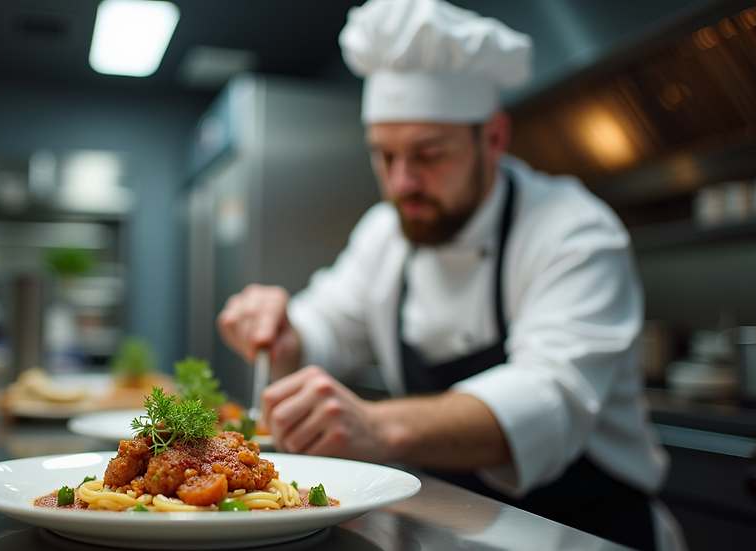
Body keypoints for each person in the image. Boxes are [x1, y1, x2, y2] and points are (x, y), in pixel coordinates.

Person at [217, 1, 683, 550]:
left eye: (428, 154)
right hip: (458, 524)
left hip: (590, 531)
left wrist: (379, 426)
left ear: (493, 138)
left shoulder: (575, 232)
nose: (402, 183)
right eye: (384, 156)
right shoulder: (386, 232)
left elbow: (549, 396)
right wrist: (283, 330)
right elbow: (328, 324)